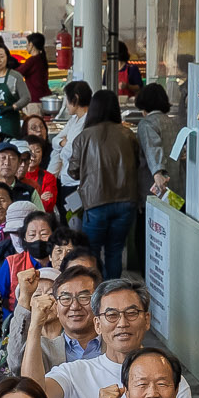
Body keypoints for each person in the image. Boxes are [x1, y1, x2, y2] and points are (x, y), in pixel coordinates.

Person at [27, 278, 196, 398]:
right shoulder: (75, 373)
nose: (122, 323)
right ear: (97, 324)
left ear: (147, 320)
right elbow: (34, 393)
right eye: (111, 315)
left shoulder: (169, 382)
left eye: (132, 313)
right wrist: (35, 326)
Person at [65, 91, 143, 284]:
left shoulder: (84, 137)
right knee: (115, 250)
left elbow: (73, 171)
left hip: (95, 202)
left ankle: (94, 292)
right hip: (126, 201)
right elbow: (137, 164)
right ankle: (112, 290)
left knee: (90, 251)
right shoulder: (128, 135)